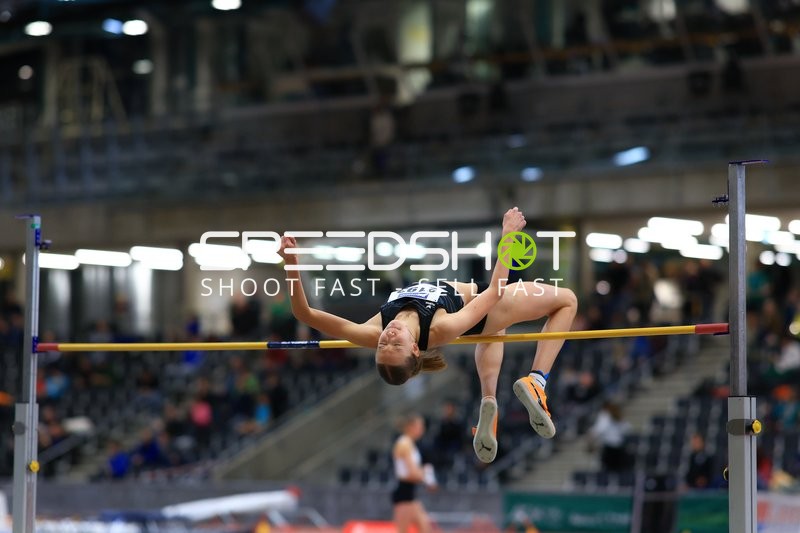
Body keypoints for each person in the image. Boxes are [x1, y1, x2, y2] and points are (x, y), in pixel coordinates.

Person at [279, 207, 578, 463]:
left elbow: (305, 314)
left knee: (494, 333)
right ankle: (537, 381)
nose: (389, 335)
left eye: (383, 343)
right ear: (414, 349)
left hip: (480, 312)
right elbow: (495, 292)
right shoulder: (438, 329)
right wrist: (509, 236)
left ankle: (489, 402)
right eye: (396, 343)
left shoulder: (373, 330)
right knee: (567, 301)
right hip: (482, 303)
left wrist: (290, 264)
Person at [391, 414, 436, 533]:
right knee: (404, 530)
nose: (422, 430)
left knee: (425, 527)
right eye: (419, 427)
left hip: (410, 493)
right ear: (411, 427)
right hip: (404, 493)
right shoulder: (404, 444)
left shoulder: (410, 443)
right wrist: (427, 477)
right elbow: (412, 473)